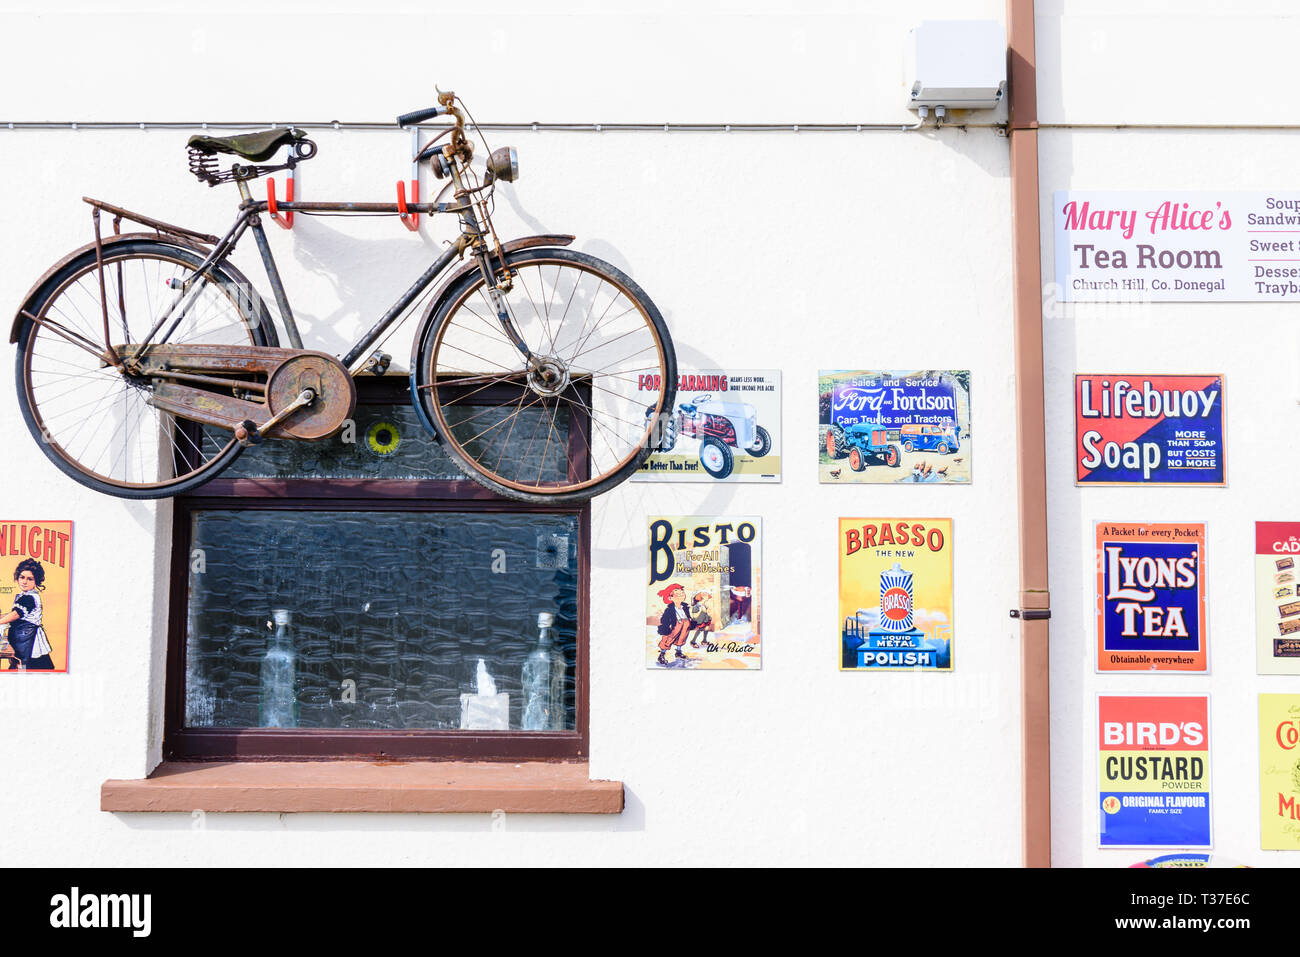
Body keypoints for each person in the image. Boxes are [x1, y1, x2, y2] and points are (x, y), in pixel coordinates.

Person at [0, 559, 55, 670]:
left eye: (30, 579)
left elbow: (16, 615)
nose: (24, 582)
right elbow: (15, 614)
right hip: (22, 637)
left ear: (36, 581)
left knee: (27, 665)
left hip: (29, 639)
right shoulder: (24, 595)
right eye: (22, 577)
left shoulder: (29, 598)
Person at [655, 583, 692, 668]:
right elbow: (665, 619)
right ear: (670, 598)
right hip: (674, 626)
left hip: (685, 624)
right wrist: (666, 627)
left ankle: (678, 652)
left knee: (682, 637)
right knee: (668, 640)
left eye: (682, 593)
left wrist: (690, 620)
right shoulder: (669, 610)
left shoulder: (685, 607)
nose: (681, 595)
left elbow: (687, 615)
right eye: (677, 594)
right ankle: (662, 655)